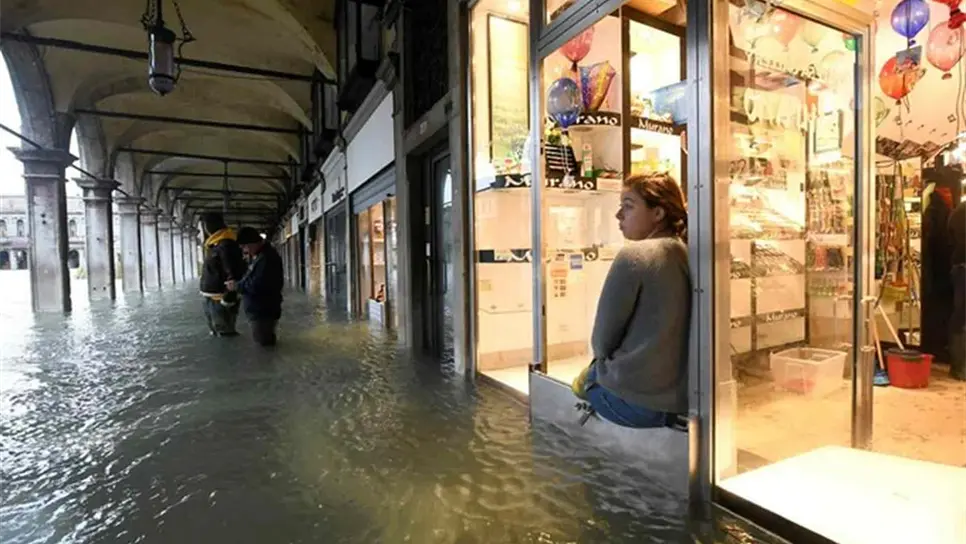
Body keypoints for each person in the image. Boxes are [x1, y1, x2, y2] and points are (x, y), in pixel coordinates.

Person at [571, 173, 691, 428]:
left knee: (589, 376)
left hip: (635, 404)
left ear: (658, 214)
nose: (619, 215)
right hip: (682, 399)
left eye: (628, 205)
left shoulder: (634, 255)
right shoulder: (689, 253)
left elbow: (602, 341)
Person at [227, 227, 284, 346]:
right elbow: (251, 278)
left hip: (263, 310)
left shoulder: (267, 258)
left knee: (263, 345)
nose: (244, 250)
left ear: (253, 243)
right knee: (263, 341)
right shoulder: (260, 256)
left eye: (244, 246)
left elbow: (258, 285)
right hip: (259, 308)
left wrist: (237, 286)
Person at [199, 212, 247, 337]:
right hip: (212, 294)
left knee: (224, 332)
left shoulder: (226, 244)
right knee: (217, 331)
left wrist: (229, 295)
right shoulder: (215, 244)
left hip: (220, 296)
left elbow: (233, 271)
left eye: (204, 225)